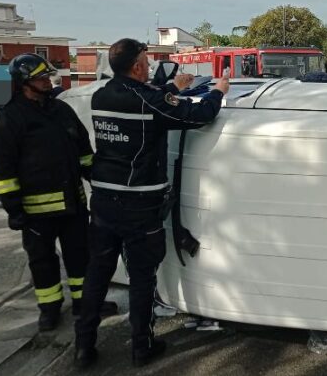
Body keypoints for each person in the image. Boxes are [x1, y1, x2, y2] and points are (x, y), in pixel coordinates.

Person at [74, 39, 229, 369]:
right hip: (139, 204)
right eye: (145, 60)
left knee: (97, 275)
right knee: (143, 278)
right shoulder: (150, 101)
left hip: (103, 200)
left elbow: (146, 102)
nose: (148, 64)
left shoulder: (101, 95)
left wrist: (171, 86)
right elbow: (196, 115)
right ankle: (141, 347)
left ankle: (83, 346)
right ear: (136, 67)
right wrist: (219, 90)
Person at [0, 54, 100, 331]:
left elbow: (83, 149)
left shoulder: (61, 111)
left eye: (47, 76)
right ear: (24, 82)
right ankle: (49, 309)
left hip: (72, 204)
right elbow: (3, 172)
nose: (47, 82)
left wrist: (97, 175)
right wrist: (14, 210)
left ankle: (83, 304)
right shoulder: (8, 120)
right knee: (43, 262)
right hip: (35, 213)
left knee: (79, 256)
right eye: (40, 78)